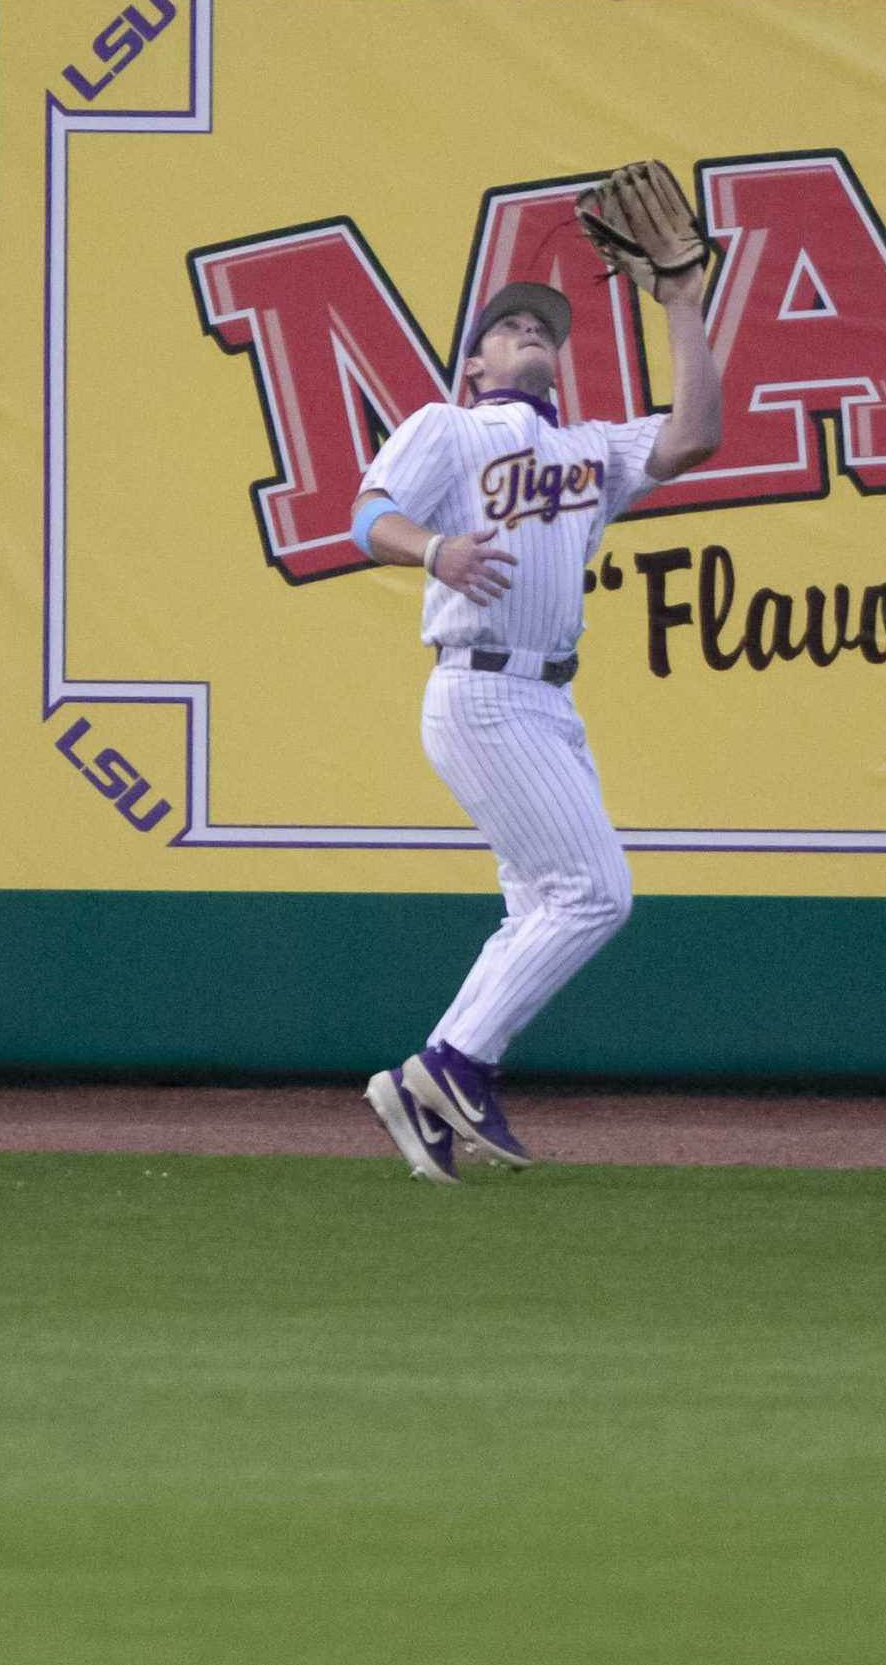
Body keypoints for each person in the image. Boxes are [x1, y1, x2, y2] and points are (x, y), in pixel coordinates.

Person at [351, 263, 722, 1184]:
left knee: (535, 908)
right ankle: (454, 1066)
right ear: (472, 365)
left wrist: (681, 302)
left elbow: (695, 437)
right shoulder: (451, 426)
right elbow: (366, 517)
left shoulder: (590, 451)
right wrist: (436, 549)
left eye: (544, 328)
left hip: (548, 700)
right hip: (480, 687)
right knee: (595, 893)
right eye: (509, 326)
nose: (531, 333)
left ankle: (422, 1089)